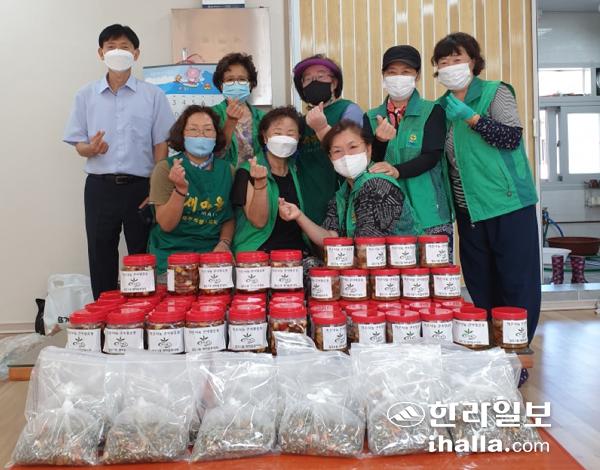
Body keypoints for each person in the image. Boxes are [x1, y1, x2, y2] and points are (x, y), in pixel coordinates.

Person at [431, 32, 540, 351]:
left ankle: (517, 349)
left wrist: (473, 118)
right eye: (444, 62)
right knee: (480, 282)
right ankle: (492, 349)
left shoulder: (496, 92)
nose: (451, 66)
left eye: (458, 59)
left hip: (507, 204)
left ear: (474, 62)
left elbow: (511, 137)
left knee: (516, 281)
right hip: (468, 210)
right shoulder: (440, 108)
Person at [63, 24, 175, 299]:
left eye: (124, 47)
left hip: (141, 187)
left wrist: (156, 188)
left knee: (142, 255)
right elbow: (78, 144)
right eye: (111, 47)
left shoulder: (153, 96)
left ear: (136, 54)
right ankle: (104, 313)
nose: (117, 52)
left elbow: (161, 144)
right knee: (100, 253)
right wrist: (90, 148)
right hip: (100, 187)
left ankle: (143, 312)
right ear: (100, 53)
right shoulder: (85, 95)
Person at [364, 45, 453, 245]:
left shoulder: (433, 111)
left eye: (406, 72)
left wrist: (397, 171)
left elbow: (432, 156)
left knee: (434, 265)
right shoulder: (370, 117)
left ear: (417, 75)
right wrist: (380, 142)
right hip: (385, 216)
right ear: (383, 76)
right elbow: (369, 163)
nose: (398, 77)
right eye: (392, 72)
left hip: (429, 214)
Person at [278, 120, 419, 245]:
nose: (346, 156)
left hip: (401, 264)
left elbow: (367, 247)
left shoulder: (377, 186)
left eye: (353, 147)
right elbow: (330, 238)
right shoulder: (344, 192)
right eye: (337, 151)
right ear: (331, 158)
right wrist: (299, 216)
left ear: (368, 149)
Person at [148, 106, 234, 275]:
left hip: (213, 254)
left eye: (208, 130)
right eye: (193, 130)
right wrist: (180, 190)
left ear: (216, 135)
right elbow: (166, 224)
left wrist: (224, 243)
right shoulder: (165, 168)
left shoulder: (227, 170)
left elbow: (228, 216)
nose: (201, 135)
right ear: (182, 134)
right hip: (171, 255)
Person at [292, 55, 363, 226]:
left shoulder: (349, 110)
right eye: (307, 79)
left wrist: (322, 128)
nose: (314, 82)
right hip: (308, 201)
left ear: (334, 83)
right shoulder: (301, 121)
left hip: (341, 198)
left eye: (321, 76)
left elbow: (350, 152)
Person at [231, 106, 308, 253]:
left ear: (298, 138)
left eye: (290, 134)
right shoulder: (246, 171)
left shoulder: (297, 170)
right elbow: (258, 221)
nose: (284, 139)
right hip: (259, 252)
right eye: (277, 133)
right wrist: (260, 183)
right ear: (265, 137)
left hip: (297, 252)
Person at [211, 53, 265, 168]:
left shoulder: (262, 117)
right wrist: (230, 122)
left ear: (250, 84)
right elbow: (214, 154)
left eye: (242, 79)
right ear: (221, 85)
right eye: (230, 80)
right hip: (225, 176)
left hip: (253, 176)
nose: (236, 84)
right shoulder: (211, 115)